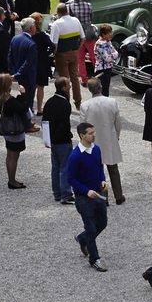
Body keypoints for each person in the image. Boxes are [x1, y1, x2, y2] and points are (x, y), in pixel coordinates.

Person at [67, 120, 109, 271]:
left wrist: (102, 179)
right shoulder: (75, 156)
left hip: (97, 194)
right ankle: (94, 259)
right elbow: (70, 178)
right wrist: (86, 191)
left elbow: (99, 167)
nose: (94, 135)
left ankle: (82, 238)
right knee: (91, 229)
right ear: (82, 136)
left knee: (102, 223)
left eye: (94, 132)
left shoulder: (96, 150)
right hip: (84, 198)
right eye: (90, 133)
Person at [80, 79, 124, 202]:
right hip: (109, 139)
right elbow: (118, 123)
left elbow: (82, 126)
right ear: (101, 87)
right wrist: (116, 136)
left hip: (93, 142)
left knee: (97, 171)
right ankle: (119, 196)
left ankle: (103, 198)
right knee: (113, 170)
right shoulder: (112, 102)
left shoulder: (85, 106)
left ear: (89, 90)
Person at [0, 73, 31, 189]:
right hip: (14, 130)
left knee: (10, 155)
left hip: (8, 131)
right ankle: (12, 181)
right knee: (14, 156)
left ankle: (11, 179)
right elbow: (22, 108)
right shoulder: (9, 100)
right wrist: (23, 95)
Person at [45, 77, 74, 202]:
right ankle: (66, 195)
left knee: (55, 168)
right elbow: (63, 125)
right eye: (68, 84)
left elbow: (45, 123)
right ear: (63, 88)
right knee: (65, 168)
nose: (70, 86)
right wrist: (56, 139)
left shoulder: (49, 102)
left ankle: (57, 193)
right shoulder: (65, 104)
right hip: (63, 141)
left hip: (53, 142)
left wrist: (48, 139)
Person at [49, 5, 85, 100]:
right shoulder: (76, 20)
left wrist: (53, 55)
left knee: (64, 80)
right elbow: (83, 38)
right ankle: (78, 101)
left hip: (61, 54)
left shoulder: (56, 24)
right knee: (75, 79)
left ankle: (66, 101)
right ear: (67, 11)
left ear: (58, 13)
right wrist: (77, 48)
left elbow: (54, 44)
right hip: (74, 53)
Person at [92, 24, 118, 96]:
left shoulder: (108, 42)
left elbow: (116, 53)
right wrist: (112, 55)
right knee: (101, 90)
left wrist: (112, 55)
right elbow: (107, 58)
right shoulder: (100, 44)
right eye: (109, 33)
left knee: (106, 89)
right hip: (101, 70)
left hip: (108, 68)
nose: (111, 34)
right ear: (103, 34)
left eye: (111, 32)